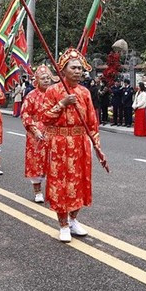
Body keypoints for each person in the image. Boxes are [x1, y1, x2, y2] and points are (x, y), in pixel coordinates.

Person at [40, 48, 103, 242]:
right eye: (74, 67)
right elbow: (44, 117)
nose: (78, 71)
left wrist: (96, 145)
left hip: (80, 143)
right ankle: (63, 224)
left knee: (80, 182)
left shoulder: (85, 92)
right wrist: (63, 103)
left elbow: (92, 122)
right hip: (59, 143)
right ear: (63, 69)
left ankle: (74, 219)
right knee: (61, 183)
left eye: (80, 68)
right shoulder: (52, 91)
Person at [21, 65, 53, 203]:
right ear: (37, 80)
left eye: (48, 78)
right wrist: (35, 130)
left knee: (53, 162)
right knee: (37, 162)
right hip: (36, 133)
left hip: (53, 131)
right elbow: (25, 114)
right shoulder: (31, 95)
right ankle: (37, 191)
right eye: (43, 78)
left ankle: (52, 191)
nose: (46, 81)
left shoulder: (55, 94)